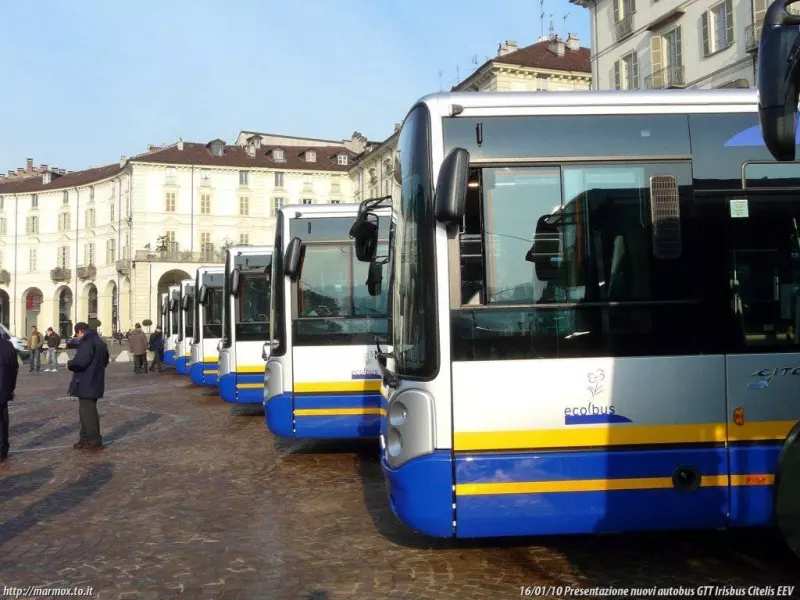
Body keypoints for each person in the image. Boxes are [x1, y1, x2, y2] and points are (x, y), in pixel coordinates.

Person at [67, 322, 110, 451]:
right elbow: (105, 361)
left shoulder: (86, 342)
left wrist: (70, 364)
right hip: (95, 380)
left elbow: (81, 361)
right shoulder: (100, 342)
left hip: (86, 381)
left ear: (80, 332)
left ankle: (94, 440)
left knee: (88, 411)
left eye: (77, 334)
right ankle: (85, 438)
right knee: (86, 410)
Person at [0, 331, 19, 464]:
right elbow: (14, 369)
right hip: (4, 390)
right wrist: (11, 388)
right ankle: (2, 449)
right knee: (2, 420)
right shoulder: (8, 346)